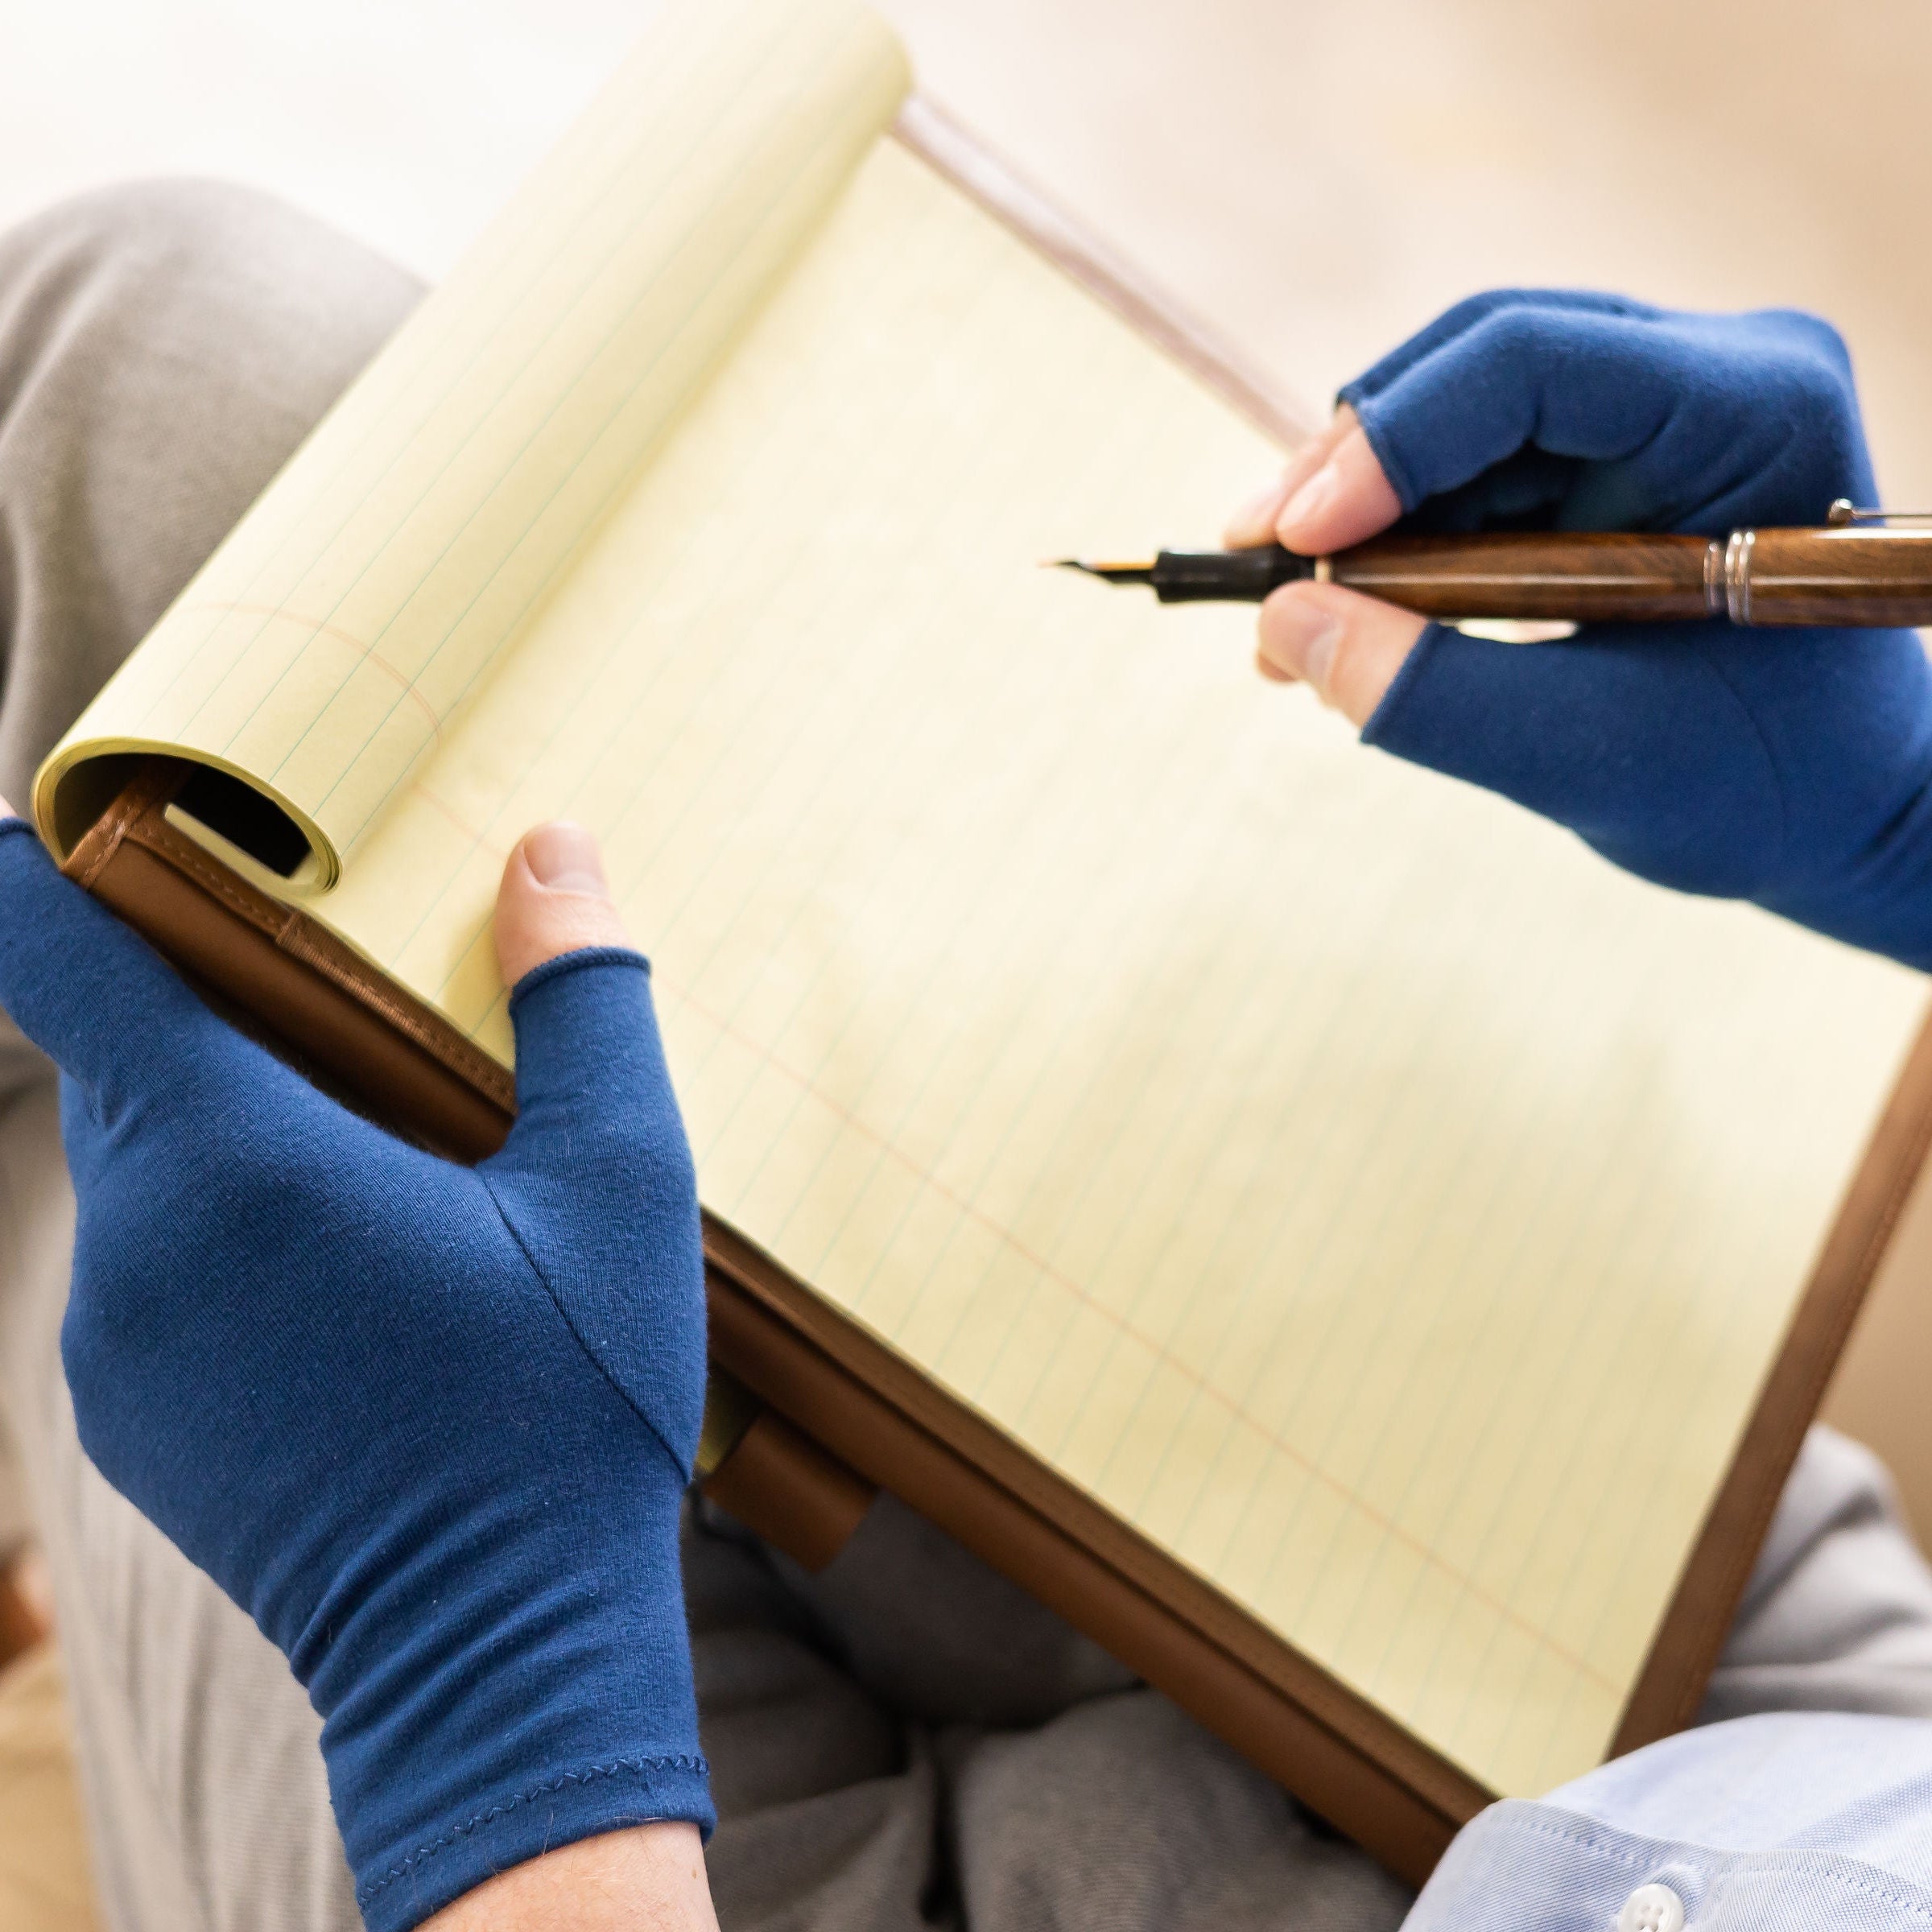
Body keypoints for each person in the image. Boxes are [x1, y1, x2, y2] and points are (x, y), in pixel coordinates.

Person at [2, 187, 1932, 1932]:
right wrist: (1913, 839)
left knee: (217, 1052)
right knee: (172, 355)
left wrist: (494, 1723)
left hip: (662, 1864)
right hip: (1732, 1660)